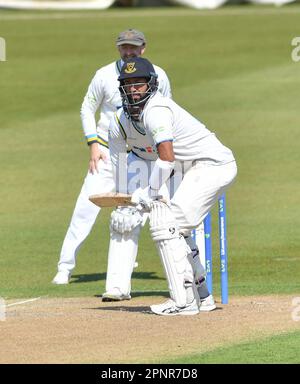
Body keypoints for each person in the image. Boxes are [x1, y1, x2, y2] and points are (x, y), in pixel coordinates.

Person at [108, 57, 237, 315]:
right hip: (184, 168)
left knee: (167, 224)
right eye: (128, 84)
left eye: (139, 84)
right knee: (178, 228)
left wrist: (150, 192)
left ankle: (184, 302)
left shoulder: (157, 110)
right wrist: (125, 201)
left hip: (212, 164)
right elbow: (119, 162)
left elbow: (166, 158)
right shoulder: (119, 120)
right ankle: (202, 295)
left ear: (151, 85)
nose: (133, 89)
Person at [52, 30, 172, 301]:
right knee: (85, 207)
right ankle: (65, 266)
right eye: (123, 47)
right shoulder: (104, 75)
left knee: (144, 210)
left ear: (143, 48)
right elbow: (87, 108)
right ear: (118, 49)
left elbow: (167, 108)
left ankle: (168, 270)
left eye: (133, 47)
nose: (128, 51)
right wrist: (92, 143)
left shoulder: (158, 75)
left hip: (143, 156)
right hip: (107, 153)